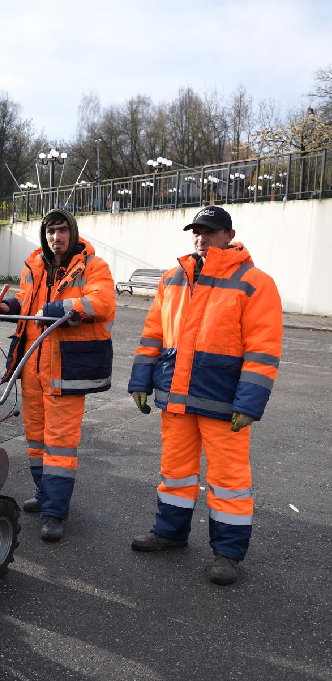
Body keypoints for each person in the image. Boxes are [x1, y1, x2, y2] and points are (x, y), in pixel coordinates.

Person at [128, 206, 282, 586]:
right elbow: (152, 335)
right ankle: (170, 532)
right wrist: (140, 381)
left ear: (229, 236)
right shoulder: (173, 279)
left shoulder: (255, 282)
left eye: (210, 232)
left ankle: (227, 554)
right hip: (176, 400)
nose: (202, 238)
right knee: (175, 472)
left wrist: (249, 404)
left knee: (229, 480)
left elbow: (262, 350)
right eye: (196, 231)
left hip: (224, 404)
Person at [0, 209, 115, 543]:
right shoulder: (33, 265)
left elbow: (101, 303)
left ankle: (55, 513)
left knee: (60, 444)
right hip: (32, 368)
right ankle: (45, 493)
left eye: (62, 231)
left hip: (65, 370)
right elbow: (27, 302)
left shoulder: (93, 266)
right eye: (50, 232)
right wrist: (6, 308)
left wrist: (57, 310)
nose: (56, 238)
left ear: (72, 233)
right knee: (36, 439)